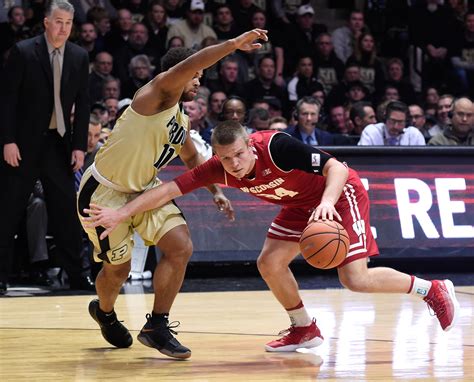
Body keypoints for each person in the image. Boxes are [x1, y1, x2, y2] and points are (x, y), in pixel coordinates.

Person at [83, 120, 460, 353]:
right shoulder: (217, 168)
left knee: (355, 279)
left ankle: (433, 290)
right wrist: (121, 213)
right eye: (225, 158)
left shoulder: (276, 147)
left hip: (338, 193)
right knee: (269, 262)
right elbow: (164, 192)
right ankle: (304, 328)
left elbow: (335, 168)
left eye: (238, 156)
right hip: (300, 204)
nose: (233, 165)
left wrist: (327, 205)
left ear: (250, 145)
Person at [76, 28, 268, 358]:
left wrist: (214, 192)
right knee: (117, 271)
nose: (199, 82)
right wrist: (234, 45)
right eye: (196, 76)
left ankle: (157, 325)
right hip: (104, 193)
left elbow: (192, 157)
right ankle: (105, 312)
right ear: (182, 74)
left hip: (145, 189)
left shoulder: (179, 115)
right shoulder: (155, 94)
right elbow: (192, 64)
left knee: (180, 246)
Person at [0, 0, 94, 294]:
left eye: (68, 23)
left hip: (59, 143)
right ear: (46, 22)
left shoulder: (79, 56)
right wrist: (7, 140)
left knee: (66, 210)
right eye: (58, 22)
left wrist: (79, 146)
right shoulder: (23, 51)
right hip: (23, 144)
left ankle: (76, 274)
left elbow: (84, 104)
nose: (63, 28)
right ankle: (1, 275)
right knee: (9, 210)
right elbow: (7, 100)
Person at [358, 101, 426, 146]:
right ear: (385, 118)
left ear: (406, 121)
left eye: (400, 122)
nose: (396, 126)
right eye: (392, 121)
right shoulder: (371, 132)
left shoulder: (414, 134)